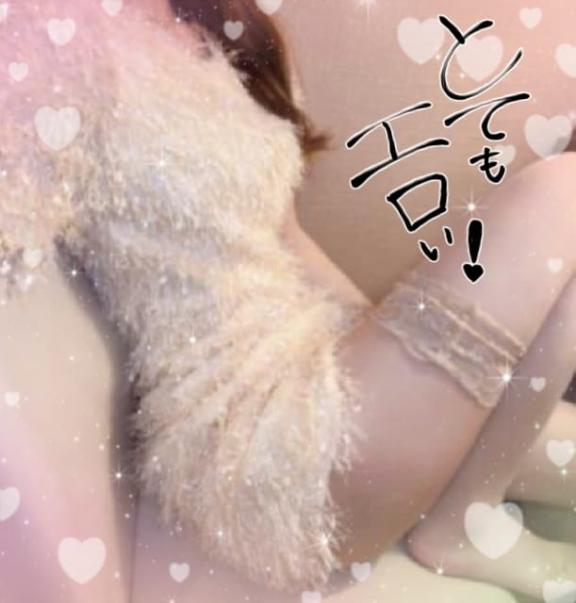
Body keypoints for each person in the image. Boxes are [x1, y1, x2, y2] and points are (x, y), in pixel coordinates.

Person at [1, 1, 575, 602]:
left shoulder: (221, 28)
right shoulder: (57, 42)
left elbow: (288, 238)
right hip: (258, 443)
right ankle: (460, 525)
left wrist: (379, 340)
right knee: (564, 187)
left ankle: (467, 506)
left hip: (322, 353)